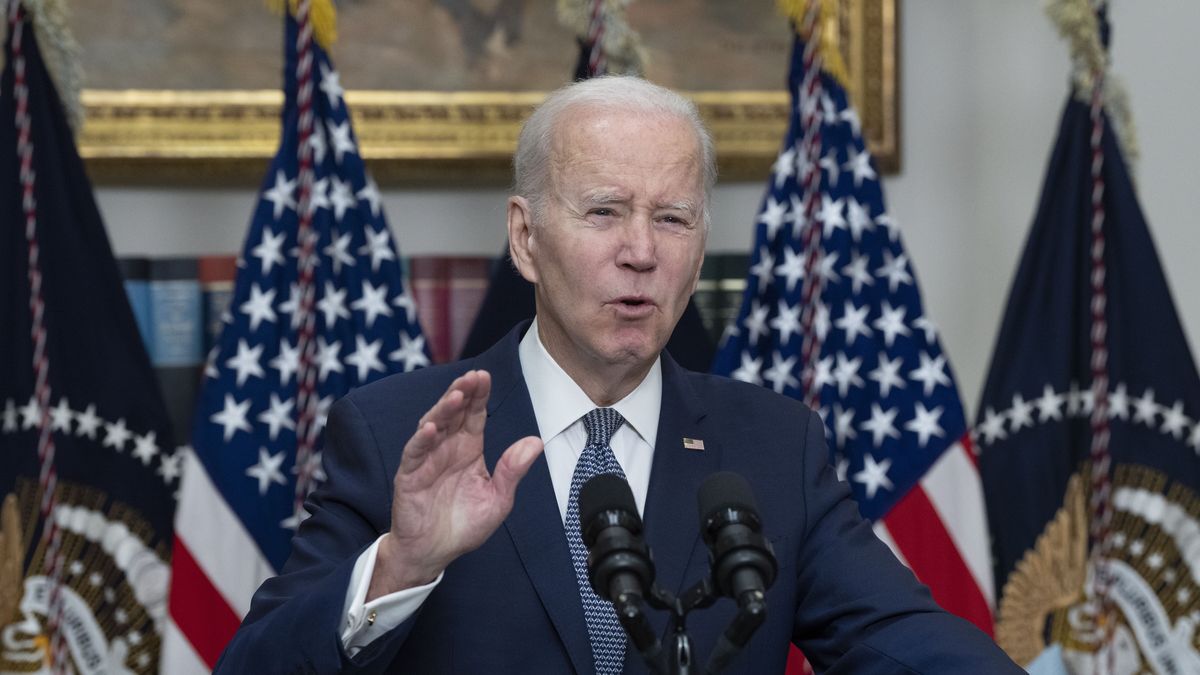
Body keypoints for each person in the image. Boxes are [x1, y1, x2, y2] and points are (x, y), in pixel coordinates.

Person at [216, 76, 1021, 674]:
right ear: (526, 238)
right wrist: (400, 566)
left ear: (699, 249)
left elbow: (906, 641)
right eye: (604, 211)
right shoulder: (399, 432)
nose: (641, 250)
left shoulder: (774, 446)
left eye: (672, 219)